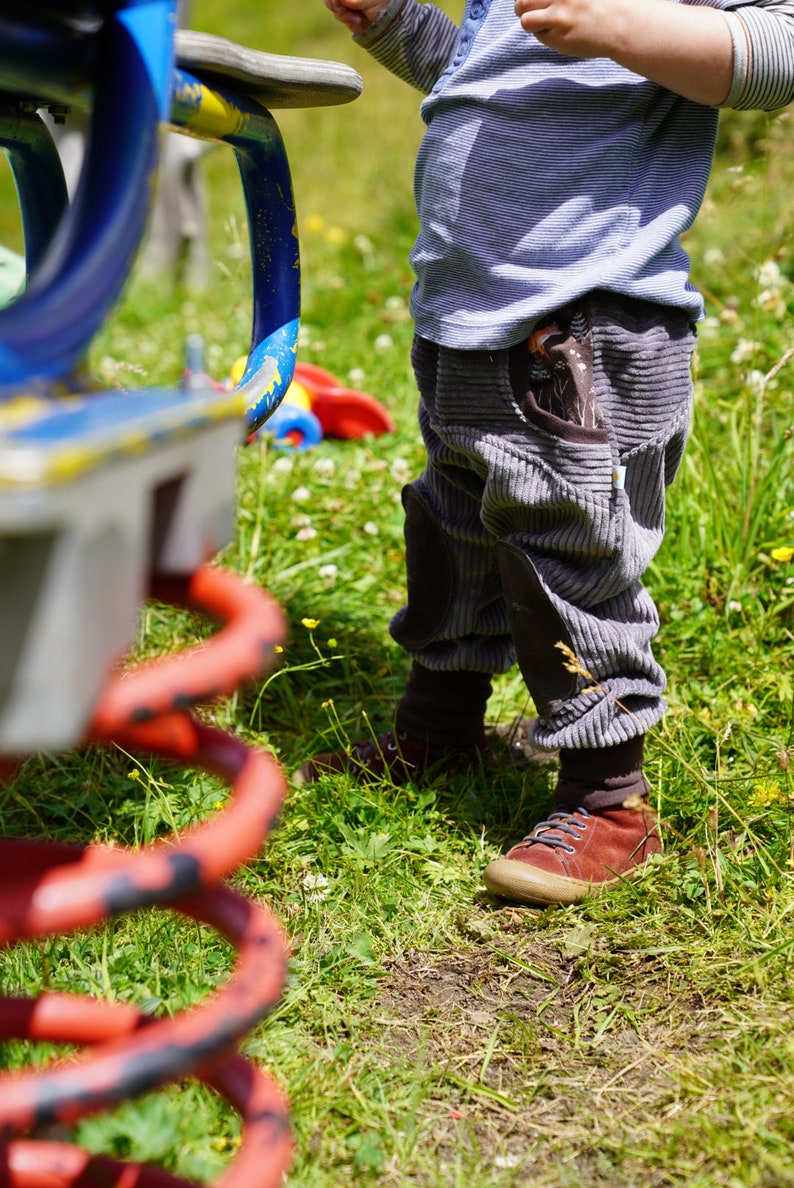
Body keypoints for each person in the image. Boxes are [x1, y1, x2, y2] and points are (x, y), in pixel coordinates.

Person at [301, 0, 794, 906]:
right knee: (455, 524)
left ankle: (609, 798)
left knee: (561, 546)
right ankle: (439, 728)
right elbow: (482, 73)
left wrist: (620, 25)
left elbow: (777, 52)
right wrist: (395, 24)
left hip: (580, 319)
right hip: (468, 315)